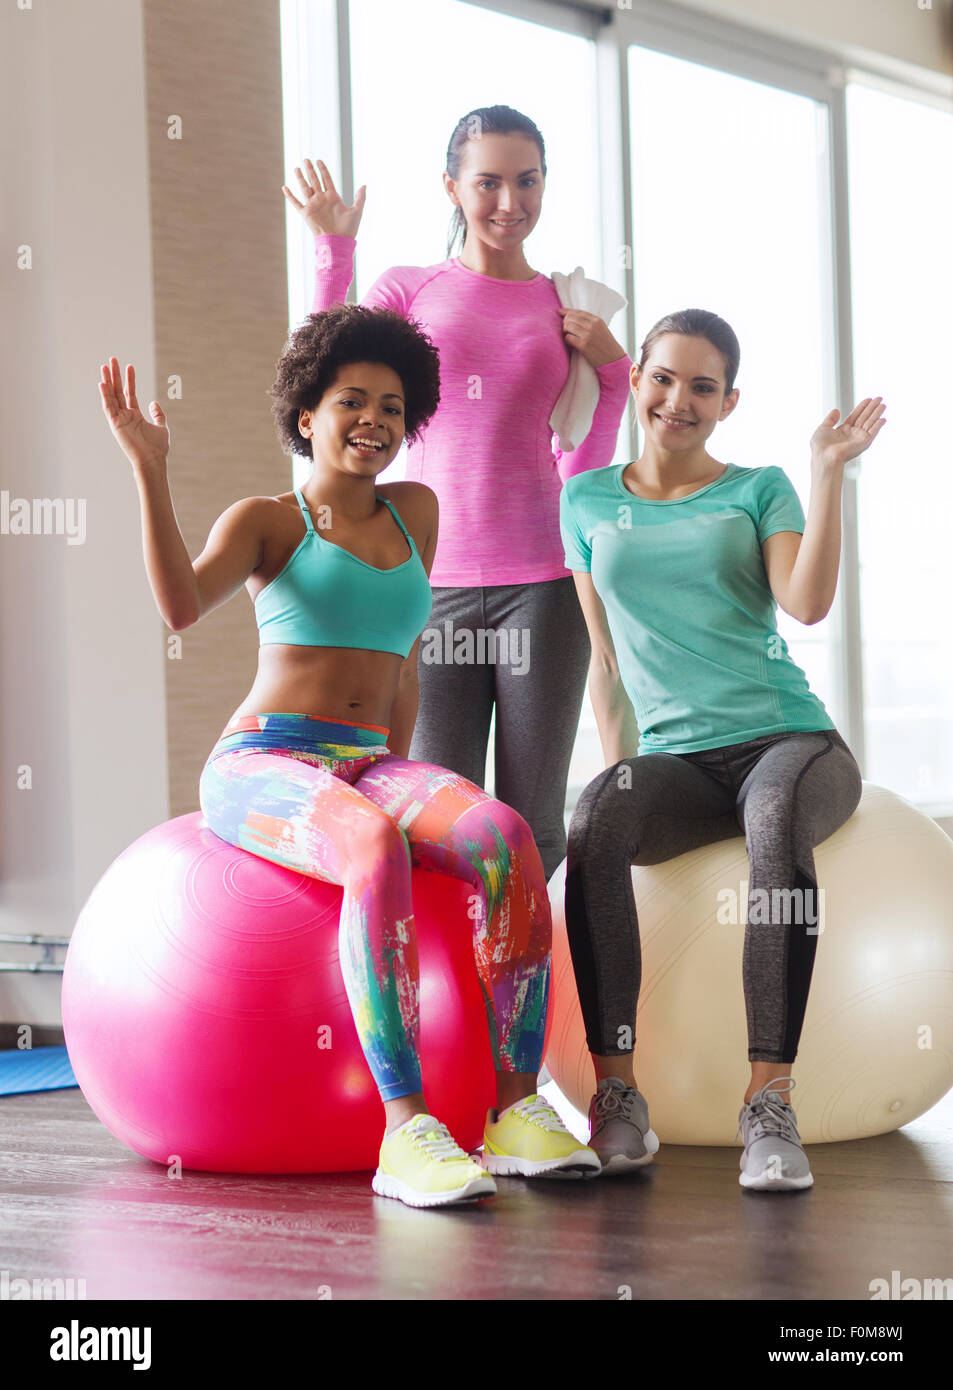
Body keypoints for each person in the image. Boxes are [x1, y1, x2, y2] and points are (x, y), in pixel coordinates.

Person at [98, 303, 600, 1209]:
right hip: (262, 763)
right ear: (306, 416)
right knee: (369, 847)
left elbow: (402, 666)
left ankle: (517, 1111)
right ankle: (406, 1130)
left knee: (503, 832)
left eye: (393, 408)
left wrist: (404, 785)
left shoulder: (417, 512)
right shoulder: (267, 519)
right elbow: (179, 607)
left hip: (365, 761)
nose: (374, 420)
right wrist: (149, 469)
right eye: (351, 401)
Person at [559, 308, 885, 1190]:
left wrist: (826, 478)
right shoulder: (585, 500)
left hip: (787, 740)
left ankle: (768, 1100)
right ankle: (617, 1096)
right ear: (635, 382)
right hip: (681, 763)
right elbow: (605, 659)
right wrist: (615, 768)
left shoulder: (758, 487)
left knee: (774, 817)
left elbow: (806, 603)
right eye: (663, 378)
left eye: (702, 386)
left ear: (727, 401)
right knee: (593, 817)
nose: (678, 399)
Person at [282, 104, 630, 883]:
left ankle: (526, 1002)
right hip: (428, 584)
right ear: (451, 186)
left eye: (528, 180)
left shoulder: (565, 309)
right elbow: (324, 372)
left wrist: (614, 374)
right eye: (489, 182)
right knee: (444, 810)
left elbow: (581, 464)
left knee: (535, 822)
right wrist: (332, 249)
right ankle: (452, 998)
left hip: (542, 585)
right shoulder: (411, 288)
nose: (511, 202)